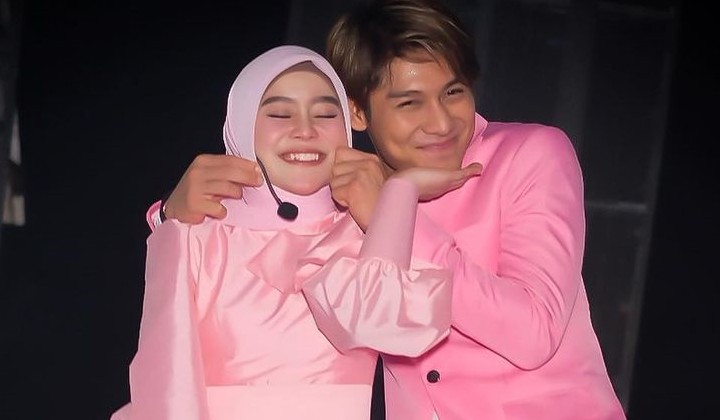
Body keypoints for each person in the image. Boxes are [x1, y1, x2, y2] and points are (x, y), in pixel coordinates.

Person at [151, 0, 627, 419]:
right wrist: (169, 215)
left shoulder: (530, 154)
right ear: (357, 112)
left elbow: (533, 333)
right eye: (409, 103)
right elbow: (262, 244)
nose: (440, 122)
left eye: (453, 92)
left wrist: (396, 212)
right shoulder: (349, 190)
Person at [113, 44, 483, 420]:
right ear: (242, 123)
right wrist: (167, 220)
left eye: (325, 114)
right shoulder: (196, 234)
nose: (305, 130)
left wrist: (398, 195)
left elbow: (394, 326)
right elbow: (166, 378)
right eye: (280, 113)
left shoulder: (365, 231)